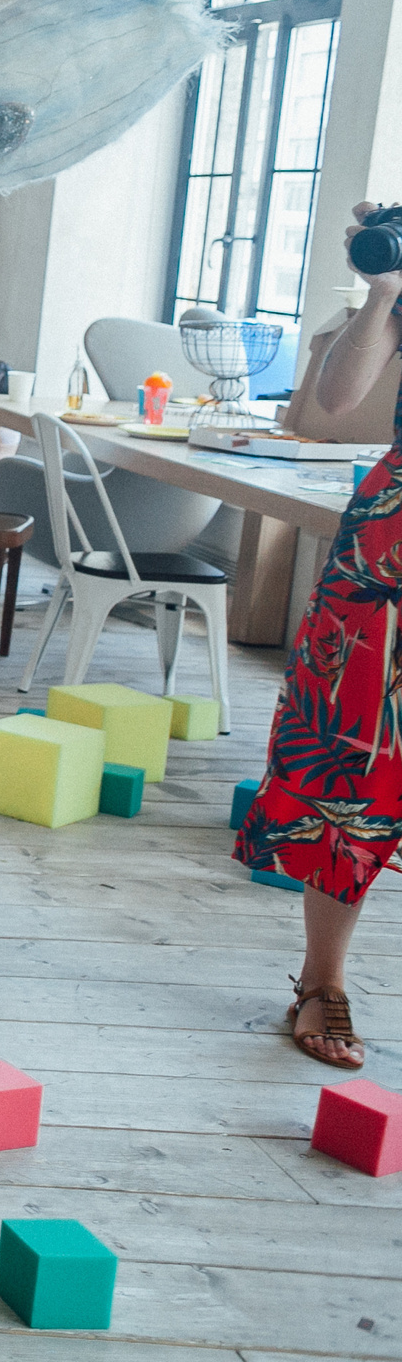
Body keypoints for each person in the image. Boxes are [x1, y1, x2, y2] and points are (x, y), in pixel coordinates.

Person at [238, 197, 402, 1070]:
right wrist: (382, 292)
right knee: (354, 763)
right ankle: (322, 981)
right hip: (391, 557)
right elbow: (333, 400)